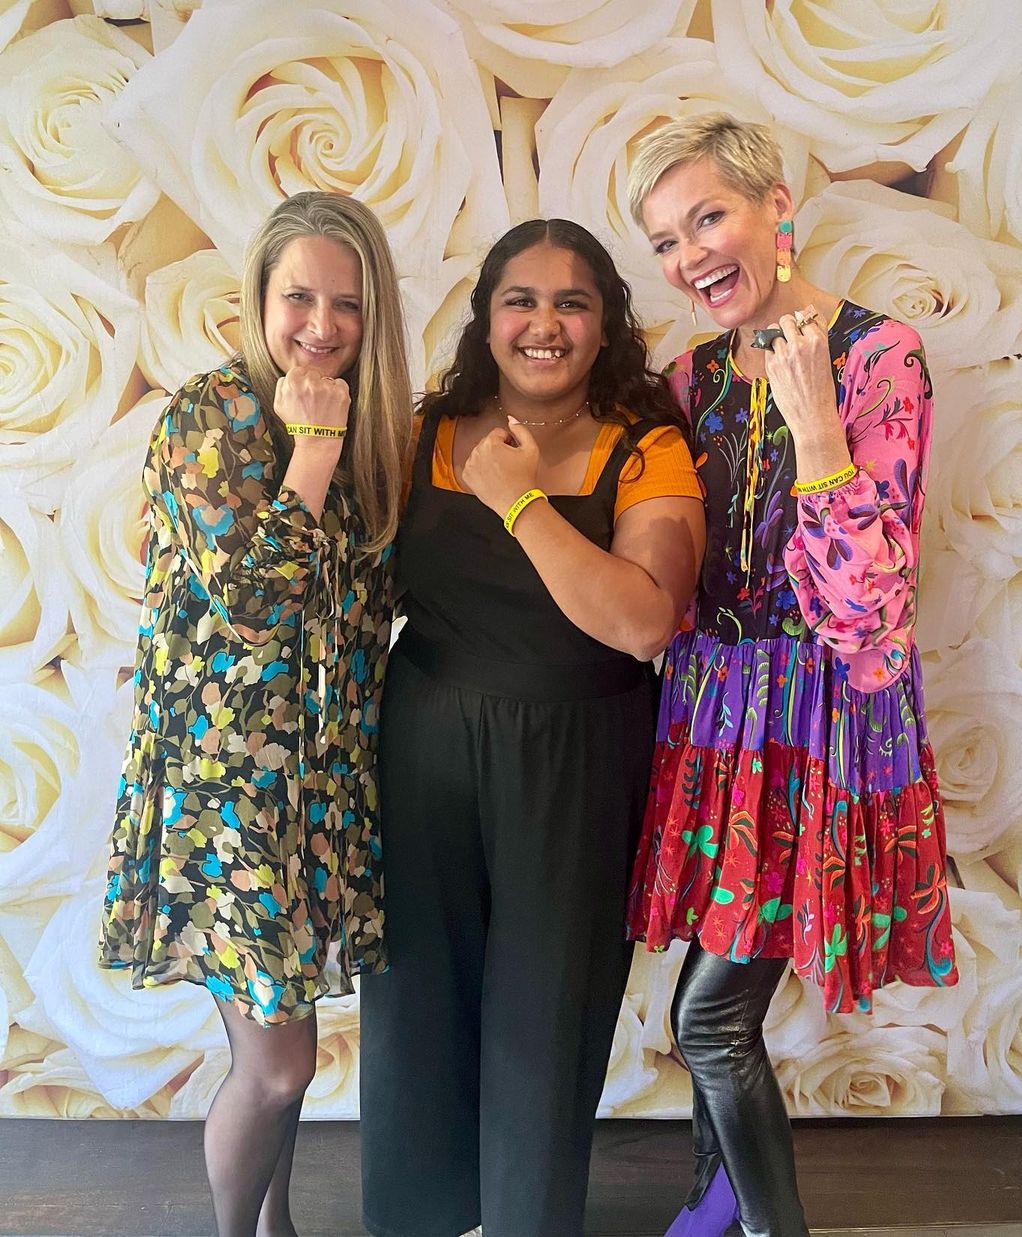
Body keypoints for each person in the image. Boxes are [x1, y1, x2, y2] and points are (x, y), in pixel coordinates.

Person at [625, 115, 959, 1237]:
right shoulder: (691, 377)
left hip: (823, 728)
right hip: (715, 723)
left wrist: (816, 426)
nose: (690, 257)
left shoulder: (879, 355)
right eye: (666, 241)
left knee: (711, 1018)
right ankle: (711, 1201)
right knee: (707, 995)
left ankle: (768, 1225)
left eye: (707, 217)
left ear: (776, 207)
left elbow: (867, 616)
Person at [358, 218, 706, 1237]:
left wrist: (519, 502)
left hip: (579, 757)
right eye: (521, 299)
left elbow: (644, 620)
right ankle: (419, 1221)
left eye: (572, 302)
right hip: (425, 745)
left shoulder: (647, 446)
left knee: (545, 1014)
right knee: (415, 1004)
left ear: (605, 323)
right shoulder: (427, 432)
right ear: (485, 317)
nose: (544, 323)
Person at [98, 191, 412, 1237]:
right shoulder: (211, 416)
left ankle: (275, 1227)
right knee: (278, 1065)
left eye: (347, 303)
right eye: (299, 298)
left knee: (290, 1055)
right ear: (259, 299)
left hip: (315, 795)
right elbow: (252, 603)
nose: (321, 325)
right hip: (224, 795)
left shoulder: (373, 435)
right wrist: (311, 450)